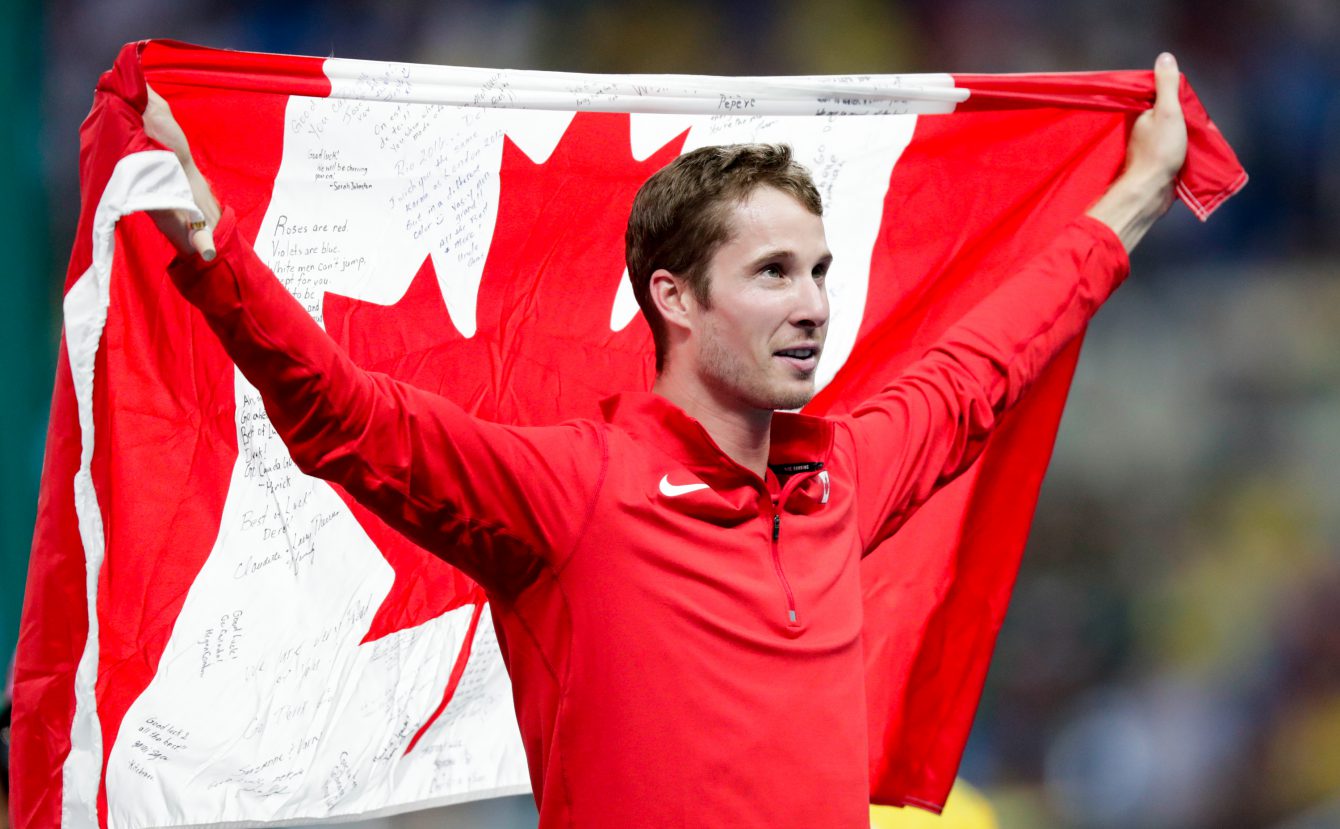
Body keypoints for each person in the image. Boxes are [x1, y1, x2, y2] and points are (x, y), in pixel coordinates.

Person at [145, 54, 1188, 829]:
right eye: (772, 272)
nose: (814, 304)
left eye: (820, 270)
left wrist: (1137, 191)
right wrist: (208, 250)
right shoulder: (571, 488)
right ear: (673, 297)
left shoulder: (844, 475)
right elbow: (351, 418)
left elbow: (984, 367)